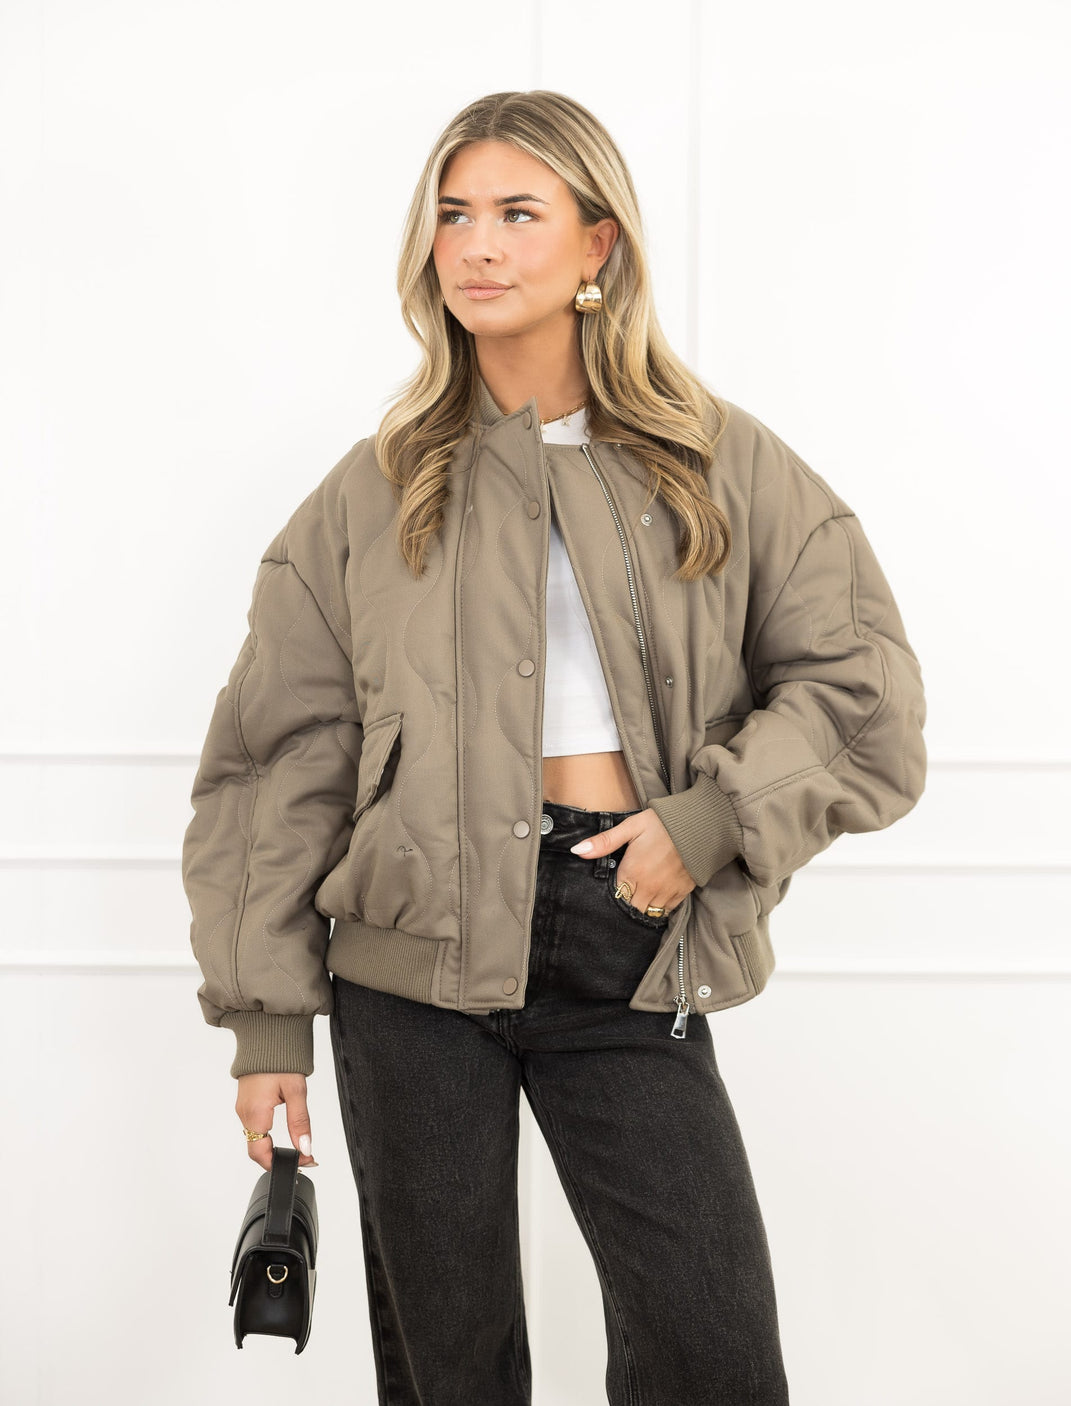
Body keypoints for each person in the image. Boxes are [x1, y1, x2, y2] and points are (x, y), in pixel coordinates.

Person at [182, 90, 927, 1405]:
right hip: (408, 960)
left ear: (597, 244)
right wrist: (266, 1021)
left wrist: (707, 821)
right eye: (454, 214)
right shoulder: (373, 490)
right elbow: (278, 763)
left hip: (624, 926)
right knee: (450, 1372)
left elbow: (865, 697)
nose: (477, 245)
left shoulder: (719, 464)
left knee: (711, 1355)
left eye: (518, 213)